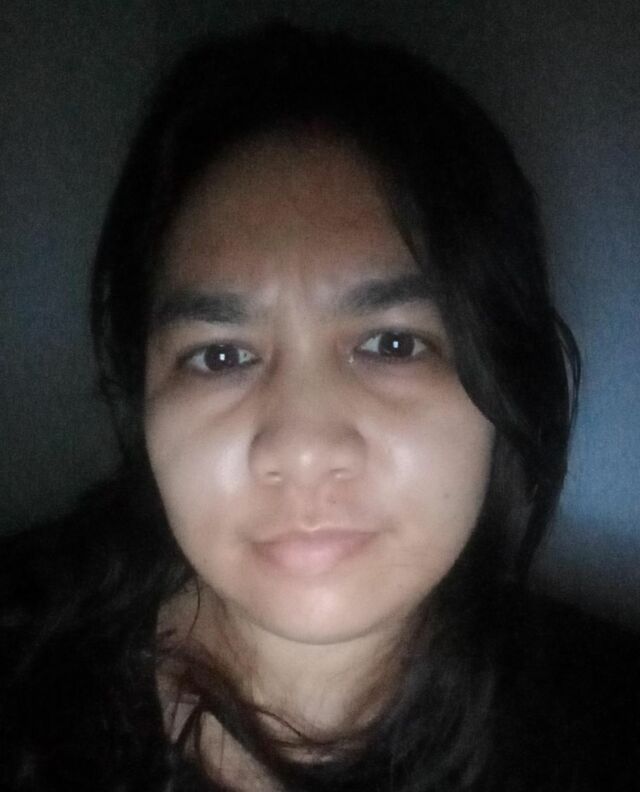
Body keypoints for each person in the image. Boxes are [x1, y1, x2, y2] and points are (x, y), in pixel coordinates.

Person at [0, 21, 638, 792]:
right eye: (220, 356)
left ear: (503, 382)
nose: (301, 447)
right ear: (143, 398)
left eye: (393, 344)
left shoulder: (610, 727)